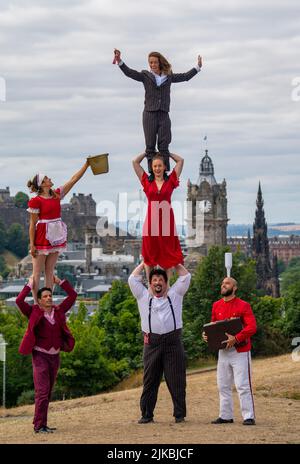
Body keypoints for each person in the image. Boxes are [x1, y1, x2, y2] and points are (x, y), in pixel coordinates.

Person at [113, 49, 202, 173]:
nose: (152, 65)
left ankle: (165, 172)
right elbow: (130, 73)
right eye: (150, 63)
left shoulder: (168, 76)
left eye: (155, 62)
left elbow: (185, 77)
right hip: (149, 114)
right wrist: (120, 61)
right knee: (150, 146)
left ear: (160, 62)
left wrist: (197, 67)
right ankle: (151, 172)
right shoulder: (145, 75)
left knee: (163, 145)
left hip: (163, 114)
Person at [128, 262, 191, 424]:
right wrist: (144, 263)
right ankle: (147, 414)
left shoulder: (175, 295)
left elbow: (185, 277)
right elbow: (132, 279)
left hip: (173, 342)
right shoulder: (143, 296)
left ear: (166, 282)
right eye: (154, 280)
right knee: (150, 380)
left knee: (177, 379)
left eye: (160, 280)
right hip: (152, 343)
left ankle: (179, 414)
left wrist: (174, 261)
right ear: (150, 284)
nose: (157, 283)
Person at [16, 274, 77, 433]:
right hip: (40, 356)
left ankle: (42, 423)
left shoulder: (59, 311)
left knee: (48, 392)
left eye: (50, 295)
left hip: (54, 357)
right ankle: (39, 426)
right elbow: (19, 301)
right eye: (45, 296)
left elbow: (73, 295)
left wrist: (59, 281)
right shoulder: (33, 312)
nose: (49, 298)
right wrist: (29, 285)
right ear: (39, 300)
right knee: (42, 392)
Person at [27, 161, 90, 302]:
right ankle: (38, 303)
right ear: (43, 184)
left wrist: (86, 165)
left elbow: (73, 180)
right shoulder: (36, 201)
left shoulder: (56, 195)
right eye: (47, 178)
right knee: (37, 273)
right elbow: (32, 223)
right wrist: (32, 244)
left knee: (50, 271)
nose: (50, 179)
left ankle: (48, 299)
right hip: (43, 235)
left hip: (56, 235)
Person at [202, 277, 257, 426]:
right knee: (223, 385)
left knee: (242, 385)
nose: (223, 285)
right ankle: (226, 415)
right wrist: (206, 335)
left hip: (240, 350)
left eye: (227, 283)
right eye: (222, 283)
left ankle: (248, 416)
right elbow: (212, 325)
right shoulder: (216, 305)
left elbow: (252, 327)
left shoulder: (244, 305)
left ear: (234, 287)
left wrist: (237, 338)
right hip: (223, 351)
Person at [132, 151, 184, 282]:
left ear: (164, 166)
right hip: (151, 220)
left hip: (167, 219)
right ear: (152, 168)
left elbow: (180, 161)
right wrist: (147, 152)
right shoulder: (146, 181)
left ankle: (168, 285)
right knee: (149, 251)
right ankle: (150, 284)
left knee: (167, 253)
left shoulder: (171, 180)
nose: (157, 169)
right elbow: (135, 162)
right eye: (155, 166)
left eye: (160, 165)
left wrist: (167, 153)